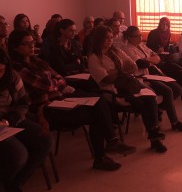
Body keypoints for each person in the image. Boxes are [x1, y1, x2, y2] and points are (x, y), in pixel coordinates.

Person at [8, 29, 133, 171]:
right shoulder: (16, 68)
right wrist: (56, 84)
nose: (32, 46)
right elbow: (44, 84)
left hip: (61, 99)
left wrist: (55, 84)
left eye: (32, 42)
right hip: (45, 109)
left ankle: (108, 147)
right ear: (15, 47)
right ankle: (104, 153)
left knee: (98, 100)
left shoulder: (38, 61)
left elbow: (60, 78)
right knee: (96, 114)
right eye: (26, 44)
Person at [87, 26, 167, 153]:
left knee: (150, 95)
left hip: (128, 83)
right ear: (98, 39)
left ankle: (154, 135)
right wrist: (120, 71)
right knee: (144, 101)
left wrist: (116, 72)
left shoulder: (116, 51)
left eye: (111, 38)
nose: (109, 41)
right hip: (113, 90)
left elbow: (133, 65)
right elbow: (105, 79)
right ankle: (153, 135)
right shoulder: (94, 58)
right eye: (106, 38)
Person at [0, 49, 52, 192]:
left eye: (0, 71)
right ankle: (7, 185)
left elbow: (23, 102)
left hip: (11, 119)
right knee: (18, 154)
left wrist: (10, 119)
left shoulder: (12, 77)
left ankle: (16, 185)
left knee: (44, 140)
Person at [121, 26, 182, 132]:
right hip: (142, 78)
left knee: (177, 89)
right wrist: (149, 60)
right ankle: (174, 122)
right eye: (137, 36)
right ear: (129, 38)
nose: (140, 38)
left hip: (152, 73)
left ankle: (159, 108)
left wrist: (148, 60)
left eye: (140, 35)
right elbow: (141, 63)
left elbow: (157, 57)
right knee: (167, 90)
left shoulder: (142, 46)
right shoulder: (127, 50)